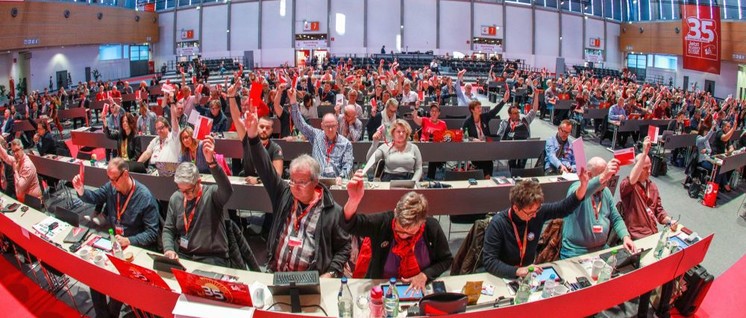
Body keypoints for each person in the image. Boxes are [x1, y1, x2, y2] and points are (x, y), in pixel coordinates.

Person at [244, 103, 350, 277]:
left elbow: (344, 247)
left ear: (315, 182)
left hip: (310, 279)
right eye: (292, 180)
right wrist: (253, 136)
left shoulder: (331, 211)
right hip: (276, 273)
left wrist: (330, 273)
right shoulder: (284, 194)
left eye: (301, 182)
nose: (295, 187)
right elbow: (265, 169)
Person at [72, 158, 159, 318]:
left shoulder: (145, 197)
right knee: (95, 276)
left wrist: (130, 241)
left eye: (114, 179)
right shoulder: (112, 188)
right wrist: (81, 191)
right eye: (109, 179)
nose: (111, 184)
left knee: (116, 286)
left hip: (136, 251)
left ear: (125, 174)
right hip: (116, 245)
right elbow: (96, 196)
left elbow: (152, 233)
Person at [342, 172, 452, 294]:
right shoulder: (384, 222)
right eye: (399, 230)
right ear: (395, 213)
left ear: (422, 222)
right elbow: (349, 224)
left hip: (420, 288)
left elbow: (446, 260)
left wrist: (425, 275)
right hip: (383, 287)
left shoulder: (431, 227)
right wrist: (353, 200)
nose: (403, 235)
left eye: (410, 233)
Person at [483, 169, 595, 279]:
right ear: (516, 208)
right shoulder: (497, 224)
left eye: (537, 210)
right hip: (503, 276)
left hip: (529, 273)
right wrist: (517, 271)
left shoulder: (538, 213)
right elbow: (490, 262)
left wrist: (583, 186)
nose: (535, 215)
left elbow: (564, 208)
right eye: (530, 213)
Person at [162, 136, 233, 266]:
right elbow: (168, 229)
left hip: (211, 258)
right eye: (181, 190)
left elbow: (227, 190)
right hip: (184, 255)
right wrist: (168, 249)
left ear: (198, 182)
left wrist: (211, 162)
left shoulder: (211, 194)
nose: (185, 195)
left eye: (188, 190)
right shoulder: (176, 198)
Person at [560, 157, 635, 259]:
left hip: (601, 249)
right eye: (604, 174)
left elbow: (616, 218)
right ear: (589, 175)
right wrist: (604, 176)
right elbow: (582, 193)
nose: (607, 179)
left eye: (608, 175)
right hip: (575, 251)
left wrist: (626, 237)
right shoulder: (576, 188)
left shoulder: (606, 191)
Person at [621, 137, 678, 240]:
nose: (649, 171)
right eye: (645, 168)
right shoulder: (627, 186)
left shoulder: (652, 187)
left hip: (652, 232)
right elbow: (632, 179)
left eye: (650, 167)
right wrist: (644, 153)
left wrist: (669, 221)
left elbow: (659, 211)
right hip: (637, 235)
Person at [290, 88, 353, 180]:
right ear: (322, 126)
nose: (330, 129)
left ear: (337, 125)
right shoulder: (316, 135)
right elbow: (300, 124)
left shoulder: (346, 143)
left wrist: (342, 176)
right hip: (317, 180)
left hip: (336, 182)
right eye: (327, 126)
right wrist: (293, 102)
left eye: (333, 126)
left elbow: (348, 164)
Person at [462, 93, 508, 178]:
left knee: (489, 162)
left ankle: (488, 177)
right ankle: (485, 177)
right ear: (472, 110)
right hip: (475, 148)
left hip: (486, 146)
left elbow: (494, 111)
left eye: (480, 107)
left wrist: (504, 101)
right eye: (478, 108)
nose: (480, 109)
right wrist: (473, 139)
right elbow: (464, 136)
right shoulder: (467, 122)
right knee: (481, 162)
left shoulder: (484, 117)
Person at [497, 91, 539, 169]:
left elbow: (534, 110)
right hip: (510, 148)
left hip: (524, 147)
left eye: (518, 112)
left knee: (521, 163)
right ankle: (514, 173)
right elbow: (499, 135)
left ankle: (520, 172)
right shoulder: (504, 122)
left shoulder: (525, 120)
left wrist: (536, 95)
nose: (518, 114)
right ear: (510, 114)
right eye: (515, 113)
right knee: (512, 163)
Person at [138, 103, 182, 177]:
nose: (159, 131)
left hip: (169, 173)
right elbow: (147, 153)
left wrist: (172, 103)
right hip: (152, 170)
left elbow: (174, 122)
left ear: (168, 127)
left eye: (161, 128)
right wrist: (137, 165)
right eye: (157, 129)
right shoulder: (155, 140)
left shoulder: (174, 137)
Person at [0, 138, 42, 203]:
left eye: (17, 150)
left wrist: (15, 171)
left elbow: (20, 187)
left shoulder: (27, 165)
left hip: (32, 202)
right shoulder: (17, 160)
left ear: (22, 149)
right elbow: (6, 157)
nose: (15, 153)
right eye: (13, 151)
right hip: (23, 200)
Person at [412, 104, 447, 180]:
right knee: (432, 153)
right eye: (432, 111)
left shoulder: (443, 124)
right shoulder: (425, 120)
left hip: (437, 148)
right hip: (424, 147)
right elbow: (414, 118)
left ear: (439, 113)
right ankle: (424, 177)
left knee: (434, 153)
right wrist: (416, 108)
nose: (434, 113)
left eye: (436, 111)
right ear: (430, 112)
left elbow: (445, 137)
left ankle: (430, 178)